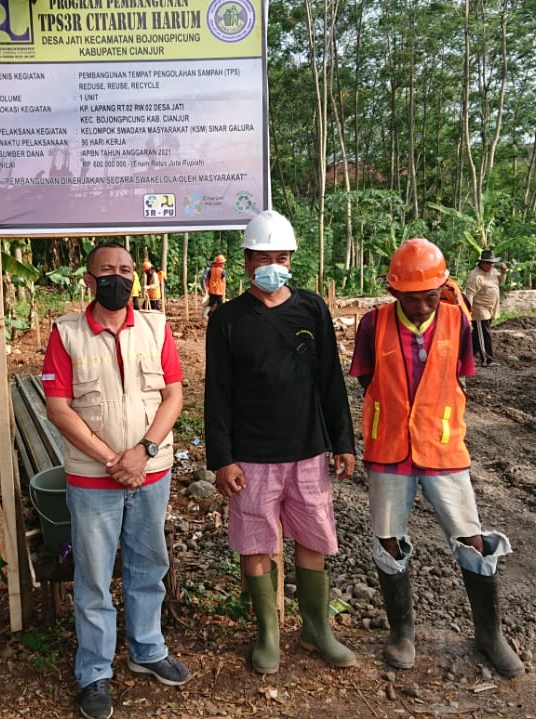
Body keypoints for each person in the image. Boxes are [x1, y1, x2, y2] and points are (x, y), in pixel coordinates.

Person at [348, 238, 524, 678]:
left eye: (431, 294)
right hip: (388, 447)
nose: (424, 305)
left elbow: (461, 378)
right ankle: (401, 632)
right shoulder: (372, 325)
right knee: (389, 538)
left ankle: (489, 634)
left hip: (443, 448)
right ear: (394, 293)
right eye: (413, 297)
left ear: (443, 288)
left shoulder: (456, 322)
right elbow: (367, 379)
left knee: (471, 537)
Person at [205, 209, 357, 674]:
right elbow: (218, 393)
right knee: (255, 544)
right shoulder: (227, 319)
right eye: (263, 256)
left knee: (313, 537)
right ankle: (267, 635)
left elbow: (330, 379)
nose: (273, 264)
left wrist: (343, 441)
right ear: (247, 261)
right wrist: (222, 458)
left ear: (292, 258)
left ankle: (316, 629)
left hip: (308, 449)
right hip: (252, 457)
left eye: (281, 256)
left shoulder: (312, 309)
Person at [42, 243, 190, 719]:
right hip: (93, 479)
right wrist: (113, 460)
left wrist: (142, 452)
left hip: (151, 472)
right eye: (107, 270)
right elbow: (59, 408)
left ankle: (148, 650)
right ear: (89, 279)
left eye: (126, 270)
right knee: (93, 577)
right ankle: (95, 672)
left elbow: (174, 396)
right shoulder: (66, 334)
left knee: (149, 564)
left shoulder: (156, 325)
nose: (119, 278)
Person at [463, 248, 506, 366]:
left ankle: (466, 357)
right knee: (484, 334)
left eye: (492, 263)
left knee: (477, 336)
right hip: (479, 309)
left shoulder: (492, 272)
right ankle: (487, 360)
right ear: (482, 263)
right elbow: (470, 294)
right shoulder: (476, 276)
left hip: (490, 308)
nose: (491, 265)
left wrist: (503, 273)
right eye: (488, 263)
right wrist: (468, 311)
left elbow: (500, 281)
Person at [201, 254, 226, 318]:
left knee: (211, 304)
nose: (223, 265)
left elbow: (207, 279)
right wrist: (223, 292)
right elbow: (223, 282)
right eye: (223, 263)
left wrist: (206, 290)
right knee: (220, 305)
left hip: (212, 291)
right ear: (220, 264)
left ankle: (204, 314)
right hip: (219, 292)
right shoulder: (223, 271)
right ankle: (220, 317)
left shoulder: (211, 270)